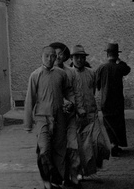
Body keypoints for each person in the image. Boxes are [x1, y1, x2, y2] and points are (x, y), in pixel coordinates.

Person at [24, 46, 74, 189]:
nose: (50, 59)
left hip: (59, 117)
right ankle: (47, 178)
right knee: (44, 150)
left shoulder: (61, 74)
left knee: (60, 150)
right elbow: (30, 100)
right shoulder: (35, 75)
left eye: (53, 56)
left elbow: (68, 91)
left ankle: (56, 182)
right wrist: (28, 123)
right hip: (42, 118)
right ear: (42, 57)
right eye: (47, 56)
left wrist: (71, 103)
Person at [69, 45, 110, 186]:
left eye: (82, 57)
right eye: (76, 57)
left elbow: (94, 90)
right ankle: (80, 172)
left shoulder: (91, 73)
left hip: (92, 114)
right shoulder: (68, 74)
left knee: (99, 143)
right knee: (81, 147)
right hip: (77, 117)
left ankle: (92, 166)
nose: (79, 60)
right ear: (72, 58)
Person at [49, 42, 79, 186]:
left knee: (73, 146)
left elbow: (74, 92)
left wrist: (72, 104)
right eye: (55, 53)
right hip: (53, 118)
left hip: (70, 117)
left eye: (61, 53)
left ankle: (74, 177)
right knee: (57, 149)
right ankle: (59, 178)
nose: (58, 56)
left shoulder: (71, 72)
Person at [96, 42, 131, 156]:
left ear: (107, 54)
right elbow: (127, 69)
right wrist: (120, 61)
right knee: (118, 123)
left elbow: (97, 84)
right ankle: (115, 146)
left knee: (108, 124)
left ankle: (111, 145)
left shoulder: (101, 67)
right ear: (116, 55)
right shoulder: (119, 67)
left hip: (105, 101)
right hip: (117, 101)